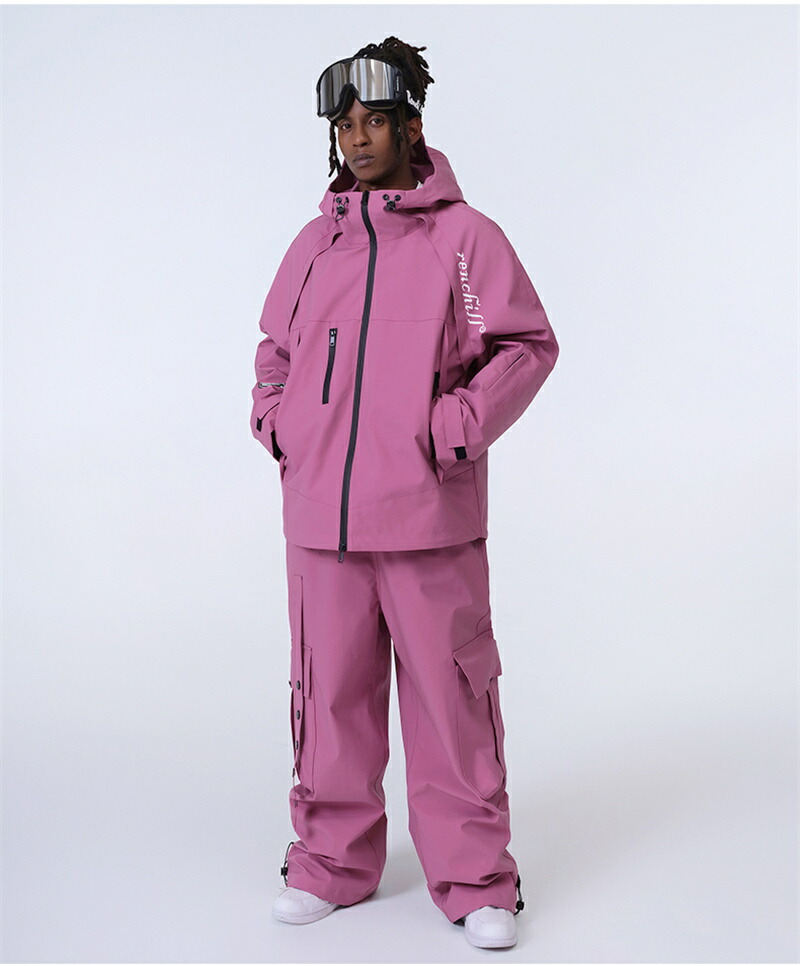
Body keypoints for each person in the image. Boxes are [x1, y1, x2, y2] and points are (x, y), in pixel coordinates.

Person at [249, 36, 559, 950]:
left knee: (450, 704)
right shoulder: (315, 244)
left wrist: (455, 426)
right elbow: (274, 354)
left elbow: (525, 346)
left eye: (375, 120)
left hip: (428, 518)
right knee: (328, 698)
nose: (358, 137)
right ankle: (331, 862)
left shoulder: (465, 239)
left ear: (411, 126)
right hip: (322, 524)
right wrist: (280, 424)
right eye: (345, 123)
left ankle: (475, 878)